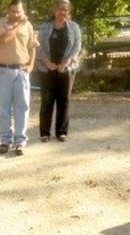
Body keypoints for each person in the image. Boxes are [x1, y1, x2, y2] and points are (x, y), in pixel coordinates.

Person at [0, 0, 37, 156]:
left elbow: (32, 47)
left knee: (22, 107)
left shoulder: (28, 26)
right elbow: (4, 39)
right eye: (13, 11)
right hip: (3, 71)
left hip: (21, 71)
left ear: (22, 11)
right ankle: (5, 141)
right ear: (8, 11)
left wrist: (31, 66)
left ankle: (20, 142)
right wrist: (17, 25)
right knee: (4, 108)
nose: (16, 15)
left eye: (19, 12)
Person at [34, 0, 81, 143]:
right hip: (47, 69)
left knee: (64, 101)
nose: (63, 12)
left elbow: (77, 47)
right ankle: (44, 133)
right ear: (54, 10)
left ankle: (61, 132)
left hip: (66, 69)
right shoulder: (45, 27)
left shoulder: (74, 28)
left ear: (69, 11)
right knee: (47, 102)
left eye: (66, 10)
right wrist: (48, 63)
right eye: (60, 9)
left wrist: (66, 63)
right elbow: (38, 47)